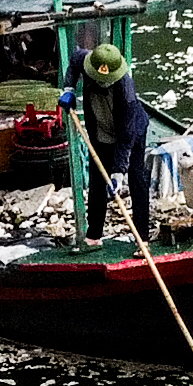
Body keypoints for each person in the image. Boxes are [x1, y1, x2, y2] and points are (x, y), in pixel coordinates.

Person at [58, 43, 150, 248]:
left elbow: (126, 138)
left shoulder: (126, 93)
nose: (101, 83)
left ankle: (142, 238)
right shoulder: (87, 60)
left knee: (137, 179)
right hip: (100, 132)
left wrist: (118, 172)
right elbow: (74, 61)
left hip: (130, 134)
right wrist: (69, 88)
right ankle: (93, 236)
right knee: (97, 181)